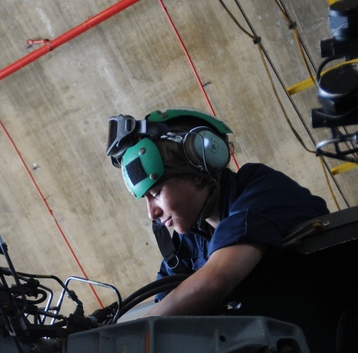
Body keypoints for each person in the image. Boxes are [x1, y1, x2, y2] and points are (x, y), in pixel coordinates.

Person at [106, 108, 328, 316]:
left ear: (196, 172)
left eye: (155, 193)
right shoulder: (187, 242)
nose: (151, 213)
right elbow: (166, 301)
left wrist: (140, 331)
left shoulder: (262, 190)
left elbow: (214, 281)